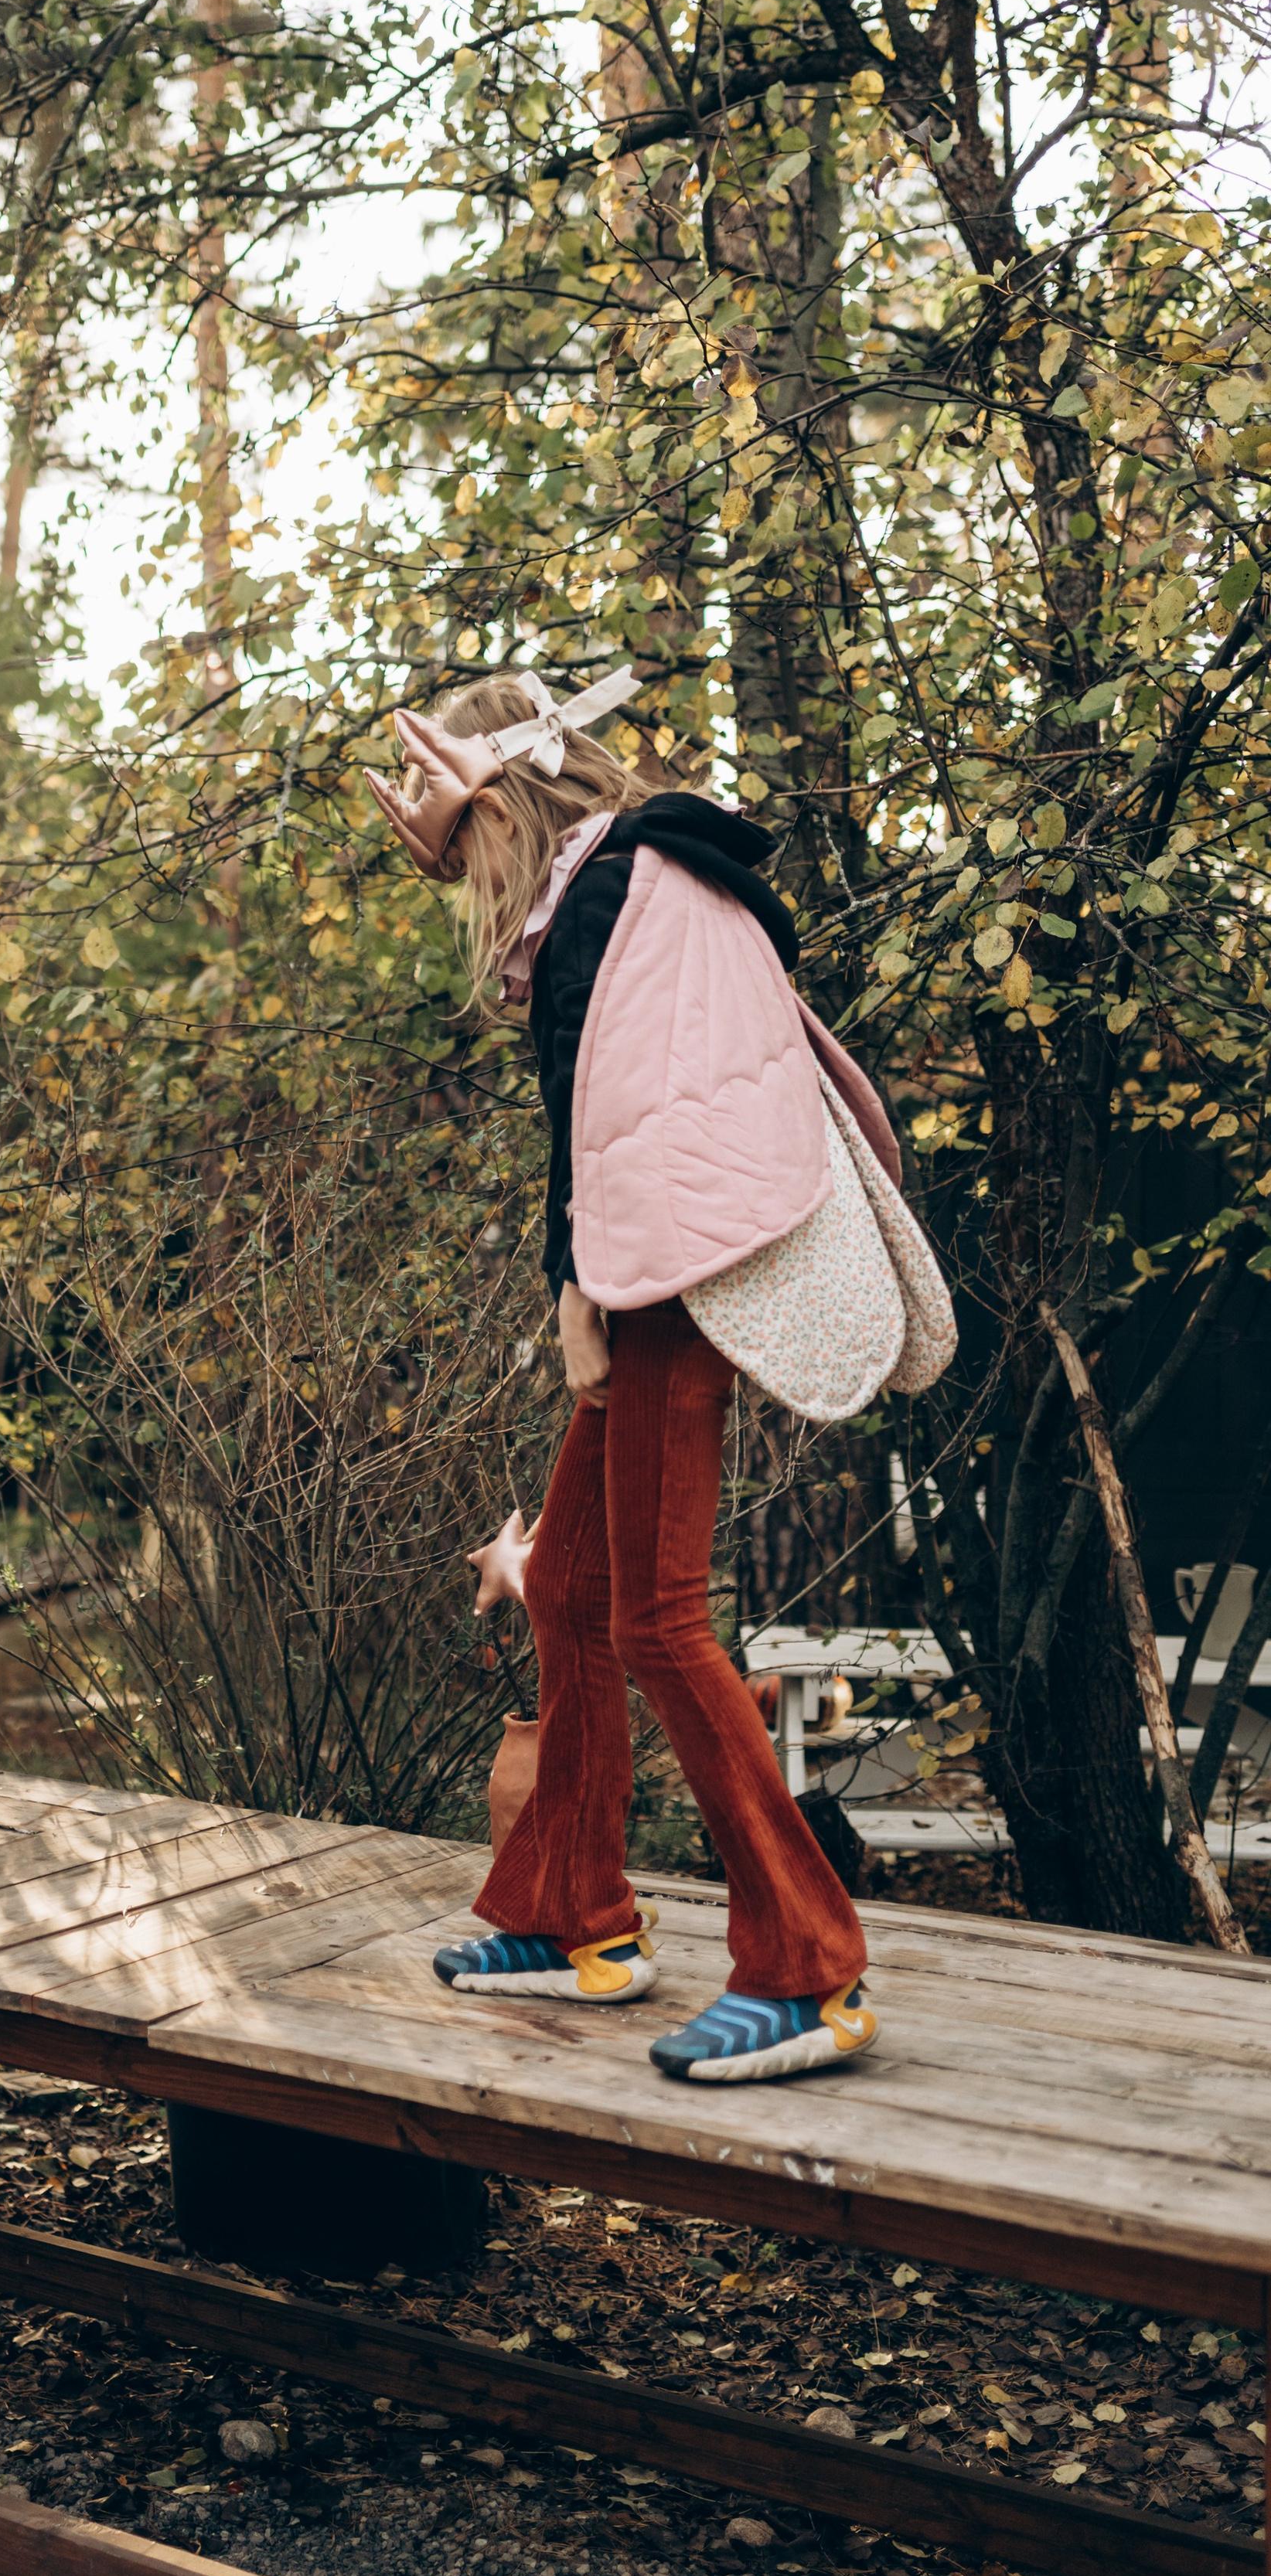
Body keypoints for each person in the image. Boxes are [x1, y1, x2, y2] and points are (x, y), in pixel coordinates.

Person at [365, 669, 881, 2084]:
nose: (468, 892)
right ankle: (574, 1916)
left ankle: (809, 1968)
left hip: (662, 1277)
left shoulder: (610, 891)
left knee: (656, 1615)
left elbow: (619, 1108)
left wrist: (581, 1286)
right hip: (651, 1262)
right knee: (574, 1588)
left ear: (503, 807)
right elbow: (612, 1101)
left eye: (466, 854)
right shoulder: (626, 882)